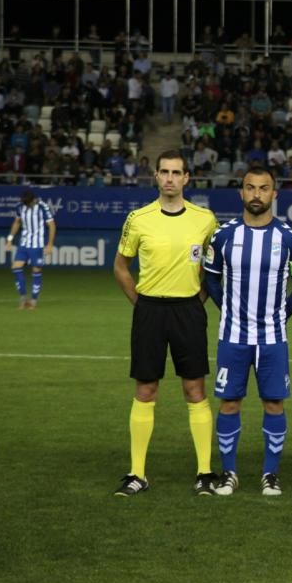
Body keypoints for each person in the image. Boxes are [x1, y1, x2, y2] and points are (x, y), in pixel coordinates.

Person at [112, 150, 219, 497]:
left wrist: (197, 300)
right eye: (164, 172)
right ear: (155, 176)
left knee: (195, 389)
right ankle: (137, 473)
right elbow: (120, 266)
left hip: (188, 310)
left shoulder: (205, 220)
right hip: (150, 312)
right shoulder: (138, 219)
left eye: (177, 172)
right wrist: (140, 303)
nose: (170, 178)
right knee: (146, 389)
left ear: (188, 178)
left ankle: (204, 472)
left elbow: (214, 269)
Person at [203, 166, 292, 496]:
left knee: (274, 404)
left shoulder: (290, 239)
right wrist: (229, 311)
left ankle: (270, 475)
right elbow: (210, 278)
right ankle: (229, 473)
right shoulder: (223, 236)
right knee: (229, 404)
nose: (256, 194)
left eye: (264, 189)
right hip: (233, 338)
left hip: (273, 340)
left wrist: (280, 315)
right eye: (250, 188)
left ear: (274, 194)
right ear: (241, 192)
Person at [5, 190, 56, 310]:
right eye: (25, 203)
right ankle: (23, 298)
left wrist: (49, 244)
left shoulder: (43, 207)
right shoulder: (19, 206)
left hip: (37, 245)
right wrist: (10, 239)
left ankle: (33, 300)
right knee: (16, 267)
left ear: (33, 200)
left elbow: (52, 225)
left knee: (36, 270)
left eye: (28, 203)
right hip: (24, 243)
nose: (26, 205)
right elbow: (17, 222)